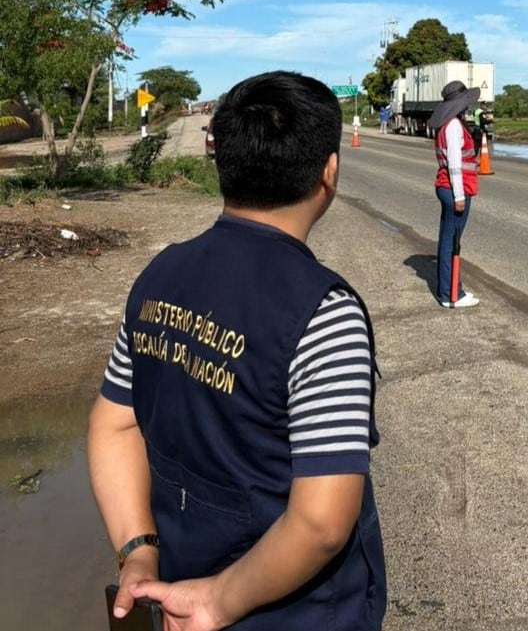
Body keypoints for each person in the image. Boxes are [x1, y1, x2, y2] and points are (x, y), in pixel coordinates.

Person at [87, 71, 387, 630]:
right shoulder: (325, 313)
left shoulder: (161, 272)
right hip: (291, 610)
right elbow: (322, 524)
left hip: (175, 581)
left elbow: (114, 425)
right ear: (329, 171)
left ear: (220, 160)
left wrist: (139, 551)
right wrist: (218, 600)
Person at [427, 80, 480, 308]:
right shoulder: (454, 127)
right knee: (451, 242)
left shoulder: (448, 125)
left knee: (448, 241)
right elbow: (455, 165)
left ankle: (450, 290)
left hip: (448, 187)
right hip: (454, 188)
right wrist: (459, 196)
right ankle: (451, 295)